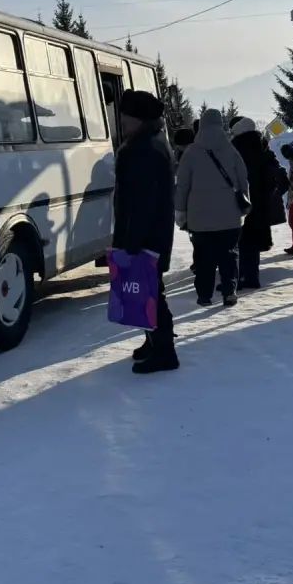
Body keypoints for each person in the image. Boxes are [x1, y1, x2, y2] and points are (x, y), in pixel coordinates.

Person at [112, 89, 178, 374]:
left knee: (152, 292)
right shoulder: (150, 143)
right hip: (150, 233)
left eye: (127, 118)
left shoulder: (144, 151)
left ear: (139, 120)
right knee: (146, 290)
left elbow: (142, 203)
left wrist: (132, 242)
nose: (122, 123)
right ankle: (153, 341)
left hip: (146, 235)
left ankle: (164, 351)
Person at [174, 109, 248, 307]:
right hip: (229, 217)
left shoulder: (190, 153)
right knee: (229, 255)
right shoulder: (232, 151)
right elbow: (243, 181)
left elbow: (182, 186)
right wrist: (243, 206)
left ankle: (204, 294)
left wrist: (180, 212)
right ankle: (229, 290)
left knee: (203, 258)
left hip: (199, 219)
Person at [230, 118, 287, 289]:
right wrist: (271, 194)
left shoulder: (234, 149)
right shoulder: (263, 148)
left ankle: (238, 277)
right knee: (253, 243)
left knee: (238, 241)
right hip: (261, 203)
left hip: (239, 201)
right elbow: (278, 174)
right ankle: (252, 277)